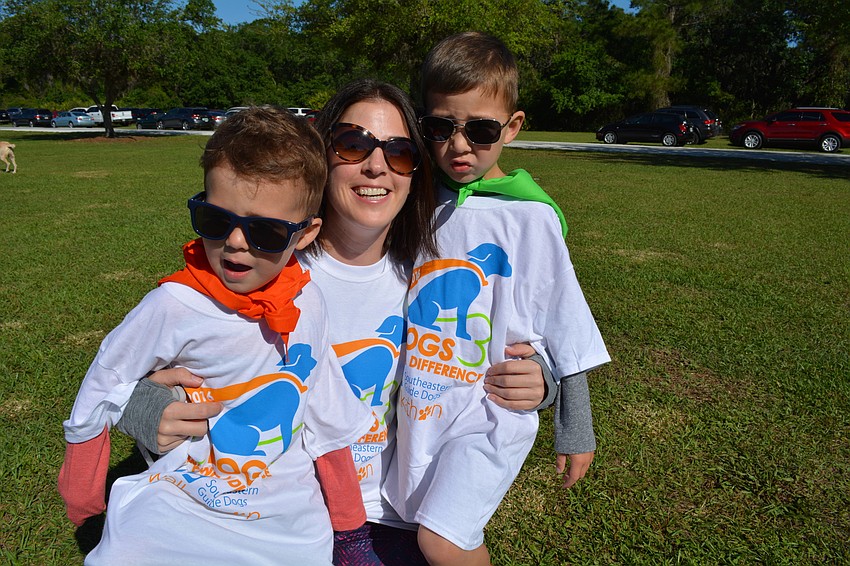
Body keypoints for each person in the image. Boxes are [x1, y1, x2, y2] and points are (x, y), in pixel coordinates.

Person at [118, 80, 553, 565]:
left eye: (400, 152)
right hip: (275, 511)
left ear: (416, 174)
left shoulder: (428, 274)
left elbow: (499, 345)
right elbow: (146, 359)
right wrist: (147, 406)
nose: (376, 165)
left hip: (392, 512)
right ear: (320, 158)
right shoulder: (267, 266)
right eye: (353, 143)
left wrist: (540, 380)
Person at [58, 106, 374, 565]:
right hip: (184, 493)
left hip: (285, 508)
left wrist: (349, 526)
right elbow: (104, 381)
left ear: (305, 235)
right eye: (215, 220)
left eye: (265, 230)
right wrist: (84, 495)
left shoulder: (308, 301)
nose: (236, 242)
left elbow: (327, 408)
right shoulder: (173, 304)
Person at [381, 31, 611, 566]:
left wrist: (573, 427)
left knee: (443, 539)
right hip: (421, 407)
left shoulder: (531, 218)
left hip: (491, 411)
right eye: (440, 127)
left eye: (481, 130)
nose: (458, 146)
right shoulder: (415, 201)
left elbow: (565, 327)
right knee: (416, 521)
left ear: (512, 127)